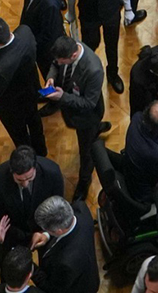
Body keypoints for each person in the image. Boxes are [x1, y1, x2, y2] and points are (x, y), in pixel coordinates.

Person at [43, 34, 107, 201]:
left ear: (72, 56)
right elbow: (55, 64)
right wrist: (51, 77)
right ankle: (99, 128)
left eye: (62, 61)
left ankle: (84, 181)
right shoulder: (68, 46)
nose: (59, 63)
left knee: (86, 152)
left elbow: (88, 103)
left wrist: (62, 97)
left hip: (87, 116)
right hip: (72, 109)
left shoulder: (94, 69)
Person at [63, 0, 130, 93]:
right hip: (89, 15)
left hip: (111, 12)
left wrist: (128, 9)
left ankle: (113, 74)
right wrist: (71, 12)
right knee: (89, 47)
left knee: (112, 45)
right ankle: (90, 75)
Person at [0, 16, 47, 152]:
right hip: (31, 91)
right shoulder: (25, 31)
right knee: (35, 122)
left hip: (12, 106)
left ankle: (28, 155)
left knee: (19, 135)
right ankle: (41, 150)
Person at [32, 196, 99, 293]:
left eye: (47, 230)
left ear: (59, 231)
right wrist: (46, 235)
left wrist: (31, 269)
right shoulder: (80, 207)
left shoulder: (66, 263)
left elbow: (52, 288)